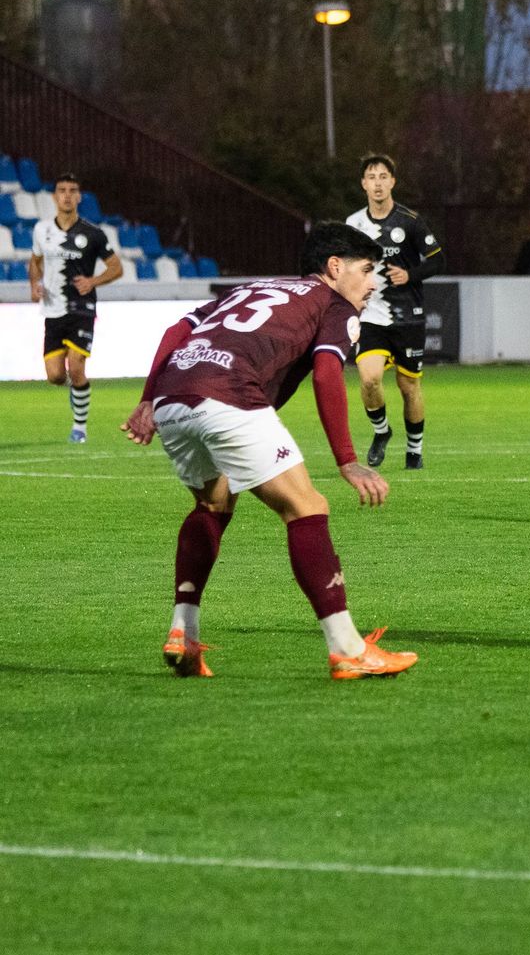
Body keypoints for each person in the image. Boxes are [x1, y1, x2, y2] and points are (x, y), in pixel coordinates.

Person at [119, 222, 418, 681]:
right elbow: (326, 374)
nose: (373, 282)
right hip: (229, 393)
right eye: (366, 270)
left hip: (174, 395)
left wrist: (147, 399)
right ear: (334, 267)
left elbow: (176, 330)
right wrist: (346, 459)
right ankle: (348, 649)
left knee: (213, 503)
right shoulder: (333, 304)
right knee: (307, 508)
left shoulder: (253, 287)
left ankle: (184, 631)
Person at [345, 152, 445, 470]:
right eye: (371, 177)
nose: (377, 183)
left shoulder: (410, 222)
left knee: (408, 386)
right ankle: (381, 432)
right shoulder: (353, 224)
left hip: (409, 315)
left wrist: (409, 275)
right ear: (363, 184)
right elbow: (346, 270)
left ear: (393, 182)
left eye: (383, 176)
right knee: (369, 379)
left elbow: (438, 260)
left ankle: (414, 451)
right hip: (372, 315)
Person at [28, 173, 123, 443]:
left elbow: (116, 267)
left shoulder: (93, 233)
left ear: (79, 197)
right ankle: (77, 391)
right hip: (52, 309)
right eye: (62, 190)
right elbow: (35, 262)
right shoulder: (41, 230)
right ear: (54, 196)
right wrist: (34, 285)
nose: (67, 195)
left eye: (72, 190)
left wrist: (93, 280)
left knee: (77, 367)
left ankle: (79, 428)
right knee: (56, 376)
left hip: (82, 307)